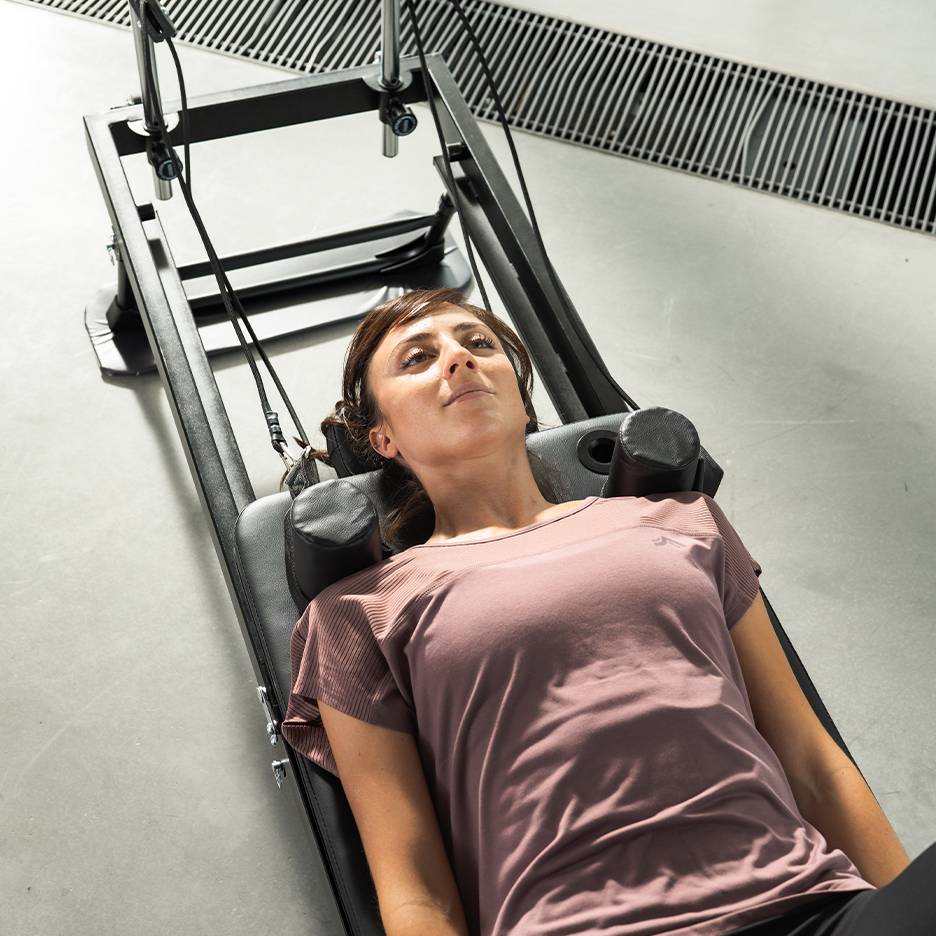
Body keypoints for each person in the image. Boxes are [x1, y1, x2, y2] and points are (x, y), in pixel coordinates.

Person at [280, 287, 931, 935]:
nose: (458, 359)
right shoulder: (360, 611)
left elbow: (811, 761)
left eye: (478, 344)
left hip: (812, 910)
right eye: (418, 358)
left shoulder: (682, 520)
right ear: (383, 438)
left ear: (522, 399)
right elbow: (417, 885)